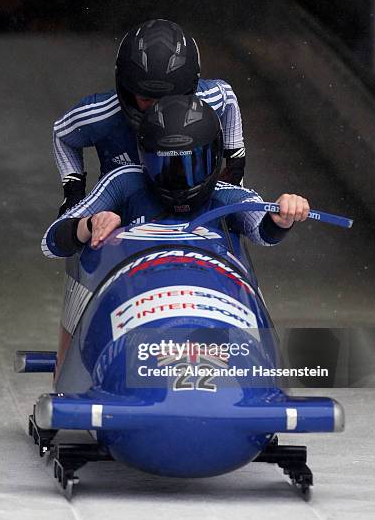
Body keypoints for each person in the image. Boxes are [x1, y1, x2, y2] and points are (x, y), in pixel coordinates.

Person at [43, 95, 309, 379]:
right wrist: (88, 224)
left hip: (213, 311)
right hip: (138, 318)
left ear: (213, 158)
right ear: (145, 158)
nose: (180, 177)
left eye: (192, 163)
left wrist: (281, 217)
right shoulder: (124, 183)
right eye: (166, 166)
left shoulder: (228, 197)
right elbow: (52, 241)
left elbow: (262, 229)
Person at [54, 19, 246, 216]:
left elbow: (228, 98)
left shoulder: (211, 99)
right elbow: (63, 135)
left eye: (166, 100)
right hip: (123, 214)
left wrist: (234, 167)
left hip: (195, 209)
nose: (157, 109)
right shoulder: (99, 114)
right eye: (146, 98)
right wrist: (73, 191)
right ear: (128, 91)